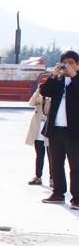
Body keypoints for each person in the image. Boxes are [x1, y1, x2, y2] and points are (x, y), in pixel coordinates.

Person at [39, 50, 79, 209]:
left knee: (76, 166)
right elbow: (44, 91)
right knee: (56, 163)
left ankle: (77, 198)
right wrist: (53, 75)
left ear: (77, 64)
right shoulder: (59, 80)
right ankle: (58, 193)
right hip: (55, 130)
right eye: (65, 63)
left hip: (74, 132)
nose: (67, 66)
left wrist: (74, 76)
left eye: (71, 63)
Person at [25, 87, 51, 186]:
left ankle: (52, 178)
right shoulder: (39, 97)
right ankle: (38, 177)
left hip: (48, 132)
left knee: (52, 157)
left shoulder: (52, 97)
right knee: (39, 156)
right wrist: (38, 91)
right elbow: (31, 103)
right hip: (38, 131)